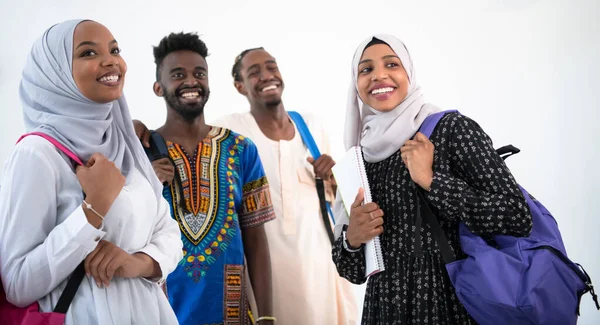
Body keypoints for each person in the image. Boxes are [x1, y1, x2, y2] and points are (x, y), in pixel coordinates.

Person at [331, 34, 534, 324]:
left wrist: (432, 181)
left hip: (451, 303)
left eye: (392, 64)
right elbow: (351, 271)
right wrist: (352, 239)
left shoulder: (451, 130)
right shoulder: (358, 158)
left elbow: (516, 215)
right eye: (366, 69)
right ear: (355, 83)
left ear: (409, 73)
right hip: (386, 311)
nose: (378, 75)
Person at [0, 19, 183, 324]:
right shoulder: (38, 154)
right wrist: (92, 211)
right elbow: (17, 283)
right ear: (55, 73)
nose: (110, 60)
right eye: (87, 53)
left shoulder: (127, 145)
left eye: (114, 50)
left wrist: (137, 263)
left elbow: (169, 233)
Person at [134, 32, 276, 325]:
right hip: (161, 312)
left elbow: (256, 239)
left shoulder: (241, 149)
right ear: (158, 87)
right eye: (178, 74)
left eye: (199, 73)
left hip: (231, 314)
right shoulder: (139, 150)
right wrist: (146, 181)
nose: (191, 81)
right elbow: (124, 231)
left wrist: (266, 316)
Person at [214, 47, 358, 324]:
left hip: (319, 268)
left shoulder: (312, 127)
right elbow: (188, 138)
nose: (267, 76)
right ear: (239, 86)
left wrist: (333, 177)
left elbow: (345, 202)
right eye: (254, 72)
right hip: (263, 267)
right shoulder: (231, 130)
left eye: (271, 67)